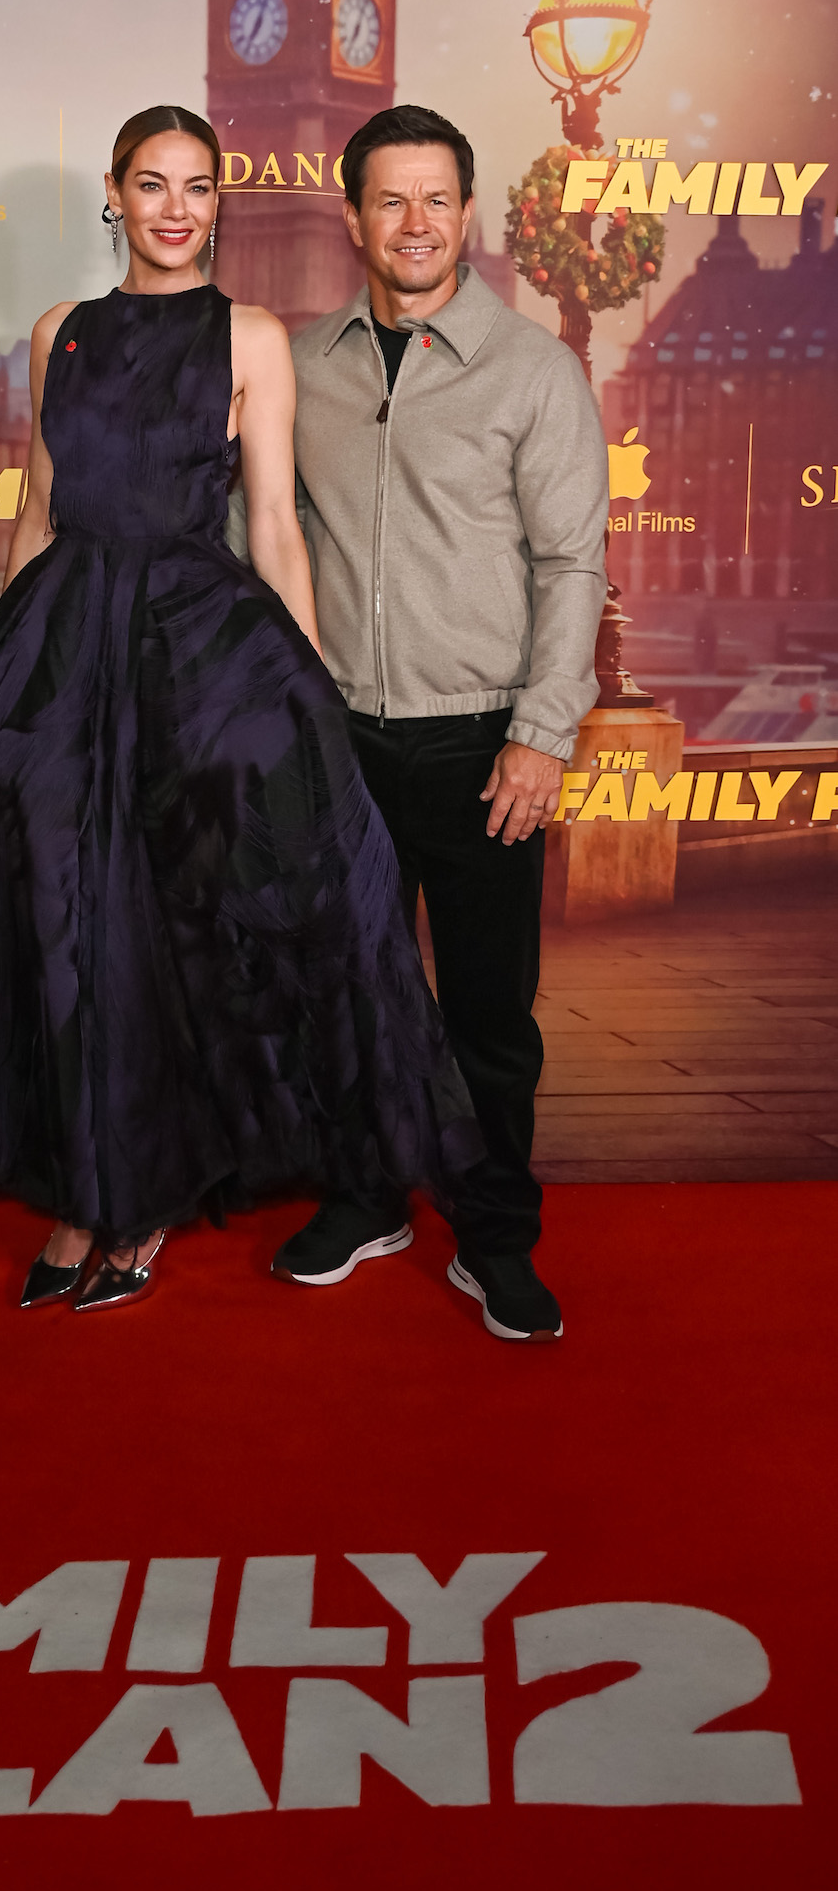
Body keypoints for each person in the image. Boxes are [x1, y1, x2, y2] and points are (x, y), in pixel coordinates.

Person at [0, 104, 474, 1311]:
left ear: (220, 205)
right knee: (66, 922)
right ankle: (82, 1196)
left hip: (193, 647)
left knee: (165, 930)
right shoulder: (61, 332)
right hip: (66, 643)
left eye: (198, 187)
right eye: (152, 184)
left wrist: (309, 689)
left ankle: (142, 1196)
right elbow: (37, 512)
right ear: (115, 196)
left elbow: (272, 522)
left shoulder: (249, 336)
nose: (175, 208)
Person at [287, 103, 608, 1341]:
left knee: (487, 1016)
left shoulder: (534, 369)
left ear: (468, 215)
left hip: (483, 744)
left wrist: (543, 733)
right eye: (390, 200)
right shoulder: (301, 365)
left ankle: (495, 1237)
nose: (413, 223)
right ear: (353, 216)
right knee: (346, 996)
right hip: (337, 744)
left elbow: (571, 564)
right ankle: (366, 1198)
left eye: (436, 199)